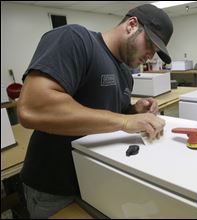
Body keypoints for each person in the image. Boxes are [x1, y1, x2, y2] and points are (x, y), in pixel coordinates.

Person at [17, 3, 173, 219]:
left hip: (97, 182)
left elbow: (109, 117)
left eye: (156, 51)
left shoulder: (125, 73)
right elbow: (33, 108)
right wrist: (124, 121)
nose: (150, 55)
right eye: (150, 44)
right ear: (131, 25)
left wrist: (132, 111)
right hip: (55, 187)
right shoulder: (77, 39)